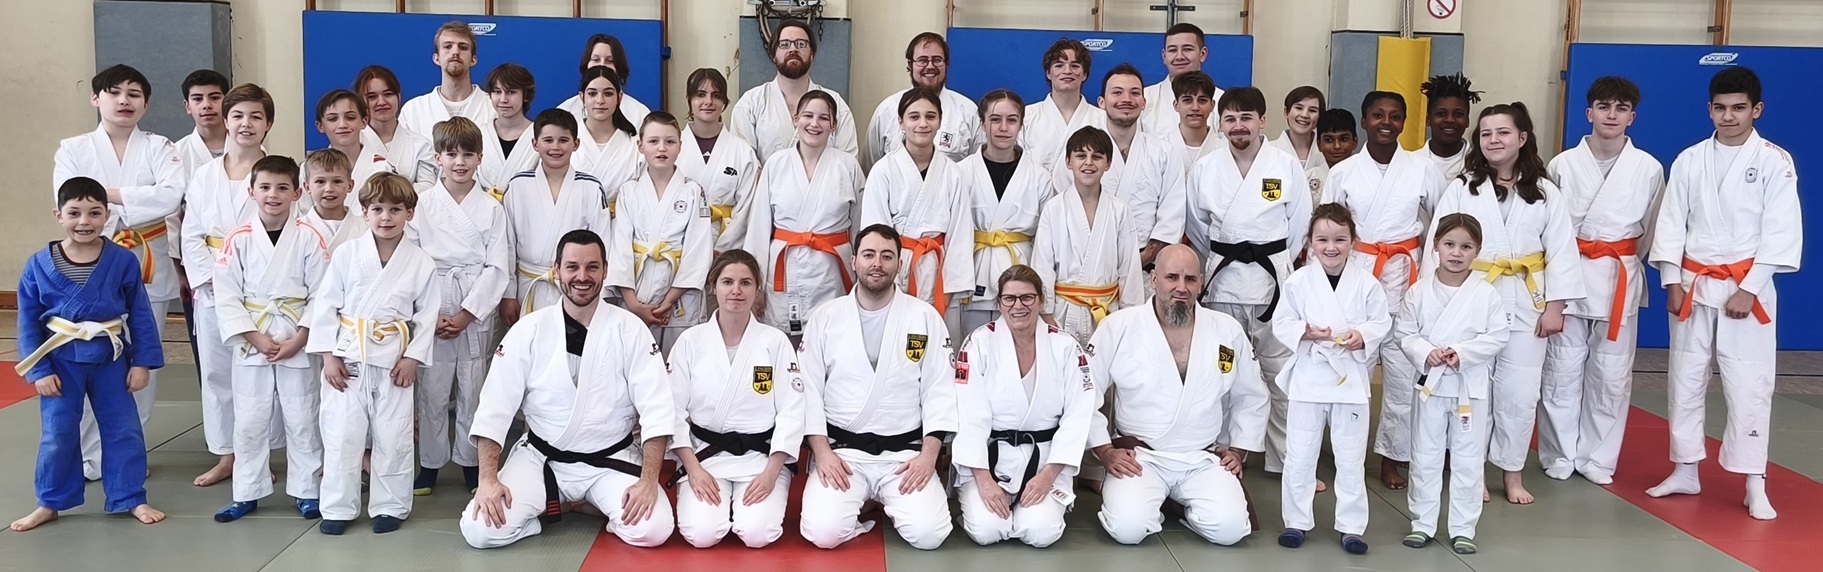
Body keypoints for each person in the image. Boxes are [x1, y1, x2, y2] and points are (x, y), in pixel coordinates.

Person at [1646, 67, 1800, 521]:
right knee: (1685, 377)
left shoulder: (1774, 160)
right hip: (1693, 284)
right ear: (1709, 109)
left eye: (1738, 108)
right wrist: (1671, 280)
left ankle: (1754, 481)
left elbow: (1781, 229)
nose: (1728, 116)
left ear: (1757, 110)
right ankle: (1685, 469)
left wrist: (1750, 289)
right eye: (1720, 108)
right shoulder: (1690, 159)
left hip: (1746, 286)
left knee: (1749, 382)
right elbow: (1671, 221)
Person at [460, 230, 677, 548]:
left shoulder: (631, 329)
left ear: (605, 270)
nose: (582, 277)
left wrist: (647, 481)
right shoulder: (529, 329)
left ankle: (580, 503)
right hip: (542, 459)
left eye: (592, 267)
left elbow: (657, 408)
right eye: (572, 267)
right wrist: (487, 480)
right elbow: (495, 408)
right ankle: (566, 506)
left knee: (653, 529)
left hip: (610, 459)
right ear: (557, 270)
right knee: (480, 531)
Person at [1425, 102, 1583, 505]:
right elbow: (1437, 246)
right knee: (1473, 392)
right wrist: (1439, 303)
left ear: (1522, 138)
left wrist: (1556, 307)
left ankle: (1512, 473)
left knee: (1520, 394)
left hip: (1528, 303)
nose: (1493, 140)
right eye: (1486, 134)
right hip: (1472, 301)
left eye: (1503, 132)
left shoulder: (1545, 191)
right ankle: (1473, 472)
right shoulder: (1463, 187)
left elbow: (1562, 250)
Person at [10, 178, 168, 532]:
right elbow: (28, 322)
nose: (85, 221)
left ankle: (130, 496)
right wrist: (38, 371)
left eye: (94, 213)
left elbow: (139, 314)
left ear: (107, 215)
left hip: (110, 358)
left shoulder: (122, 260)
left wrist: (142, 363)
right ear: (59, 216)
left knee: (123, 429)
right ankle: (50, 501)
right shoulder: (38, 265)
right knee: (58, 432)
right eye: (75, 213)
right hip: (60, 359)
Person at [51, 64, 184, 483]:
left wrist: (101, 194)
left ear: (146, 104)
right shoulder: (72, 149)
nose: (124, 100)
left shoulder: (161, 147)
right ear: (96, 99)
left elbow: (170, 196)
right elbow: (70, 201)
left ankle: (128, 455)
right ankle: (90, 457)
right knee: (90, 358)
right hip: (91, 261)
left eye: (134, 94)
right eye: (114, 92)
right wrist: (126, 200)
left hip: (146, 260)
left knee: (141, 361)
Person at [1089, 244, 1267, 546]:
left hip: (1202, 456)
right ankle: (1155, 501)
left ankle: (1177, 505)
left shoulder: (1226, 329)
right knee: (1128, 529)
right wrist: (1105, 451)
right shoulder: (1118, 327)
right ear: (1153, 279)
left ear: (1201, 282)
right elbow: (1086, 392)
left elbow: (1251, 395)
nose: (1181, 287)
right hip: (1140, 456)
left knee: (1231, 530)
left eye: (1190, 279)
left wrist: (1238, 451)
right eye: (1172, 277)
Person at [797, 224, 956, 550]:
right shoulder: (826, 317)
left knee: (930, 535)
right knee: (823, 534)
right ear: (854, 261)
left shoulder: (925, 317)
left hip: (904, 455)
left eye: (887, 256)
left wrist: (928, 458)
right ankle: (867, 503)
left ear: (900, 263)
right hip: (843, 453)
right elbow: (807, 391)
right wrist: (822, 454)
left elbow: (939, 391)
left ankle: (882, 499)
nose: (877, 264)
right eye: (869, 255)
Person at [1539, 77, 1665, 486]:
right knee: (1560, 370)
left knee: (1611, 375)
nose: (1612, 115)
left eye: (1621, 108)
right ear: (1589, 112)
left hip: (1617, 278)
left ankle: (1598, 458)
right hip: (1569, 276)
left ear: (1632, 117)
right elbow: (1549, 227)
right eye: (1604, 106)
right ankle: (1559, 453)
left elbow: (1651, 229)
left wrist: (1623, 257)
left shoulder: (1648, 168)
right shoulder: (1562, 165)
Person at [1185, 86, 1313, 477]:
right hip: (1222, 285)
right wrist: (1222, 258)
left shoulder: (1285, 166)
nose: (1238, 126)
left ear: (1262, 121)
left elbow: (1299, 225)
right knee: (1223, 369)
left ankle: (1285, 460)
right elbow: (1197, 227)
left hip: (1273, 284)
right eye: (1230, 119)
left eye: (1246, 118)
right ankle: (1221, 455)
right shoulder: (1205, 168)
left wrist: (1275, 260)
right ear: (1219, 124)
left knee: (1281, 372)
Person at [304, 172, 441, 535]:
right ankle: (337, 508)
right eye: (377, 209)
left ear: (409, 213)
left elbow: (427, 315)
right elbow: (325, 306)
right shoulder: (347, 254)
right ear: (364, 212)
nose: (386, 217)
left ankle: (390, 506)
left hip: (394, 361)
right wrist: (328, 356)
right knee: (341, 435)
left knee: (393, 436)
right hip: (347, 358)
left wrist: (412, 358)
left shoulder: (420, 261)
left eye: (395, 209)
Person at [1322, 91, 1447, 490]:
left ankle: (1393, 457)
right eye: (1378, 115)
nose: (1386, 123)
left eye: (1395, 116)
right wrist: (1326, 282)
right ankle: (1348, 455)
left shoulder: (1423, 169)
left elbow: (1442, 223)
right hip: (1358, 276)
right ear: (1364, 121)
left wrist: (1435, 278)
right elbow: (1325, 229)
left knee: (1404, 379)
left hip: (1406, 277)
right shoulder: (1343, 172)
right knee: (1351, 373)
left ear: (1405, 122)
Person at [210, 155, 329, 523]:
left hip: (297, 339)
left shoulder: (310, 237)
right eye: (264, 187)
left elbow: (322, 294)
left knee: (303, 417)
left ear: (297, 192)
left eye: (281, 187)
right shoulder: (238, 239)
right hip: (253, 340)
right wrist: (254, 337)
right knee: (249, 419)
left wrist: (301, 338)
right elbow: (226, 295)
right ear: (251, 192)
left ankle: (307, 490)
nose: (272, 195)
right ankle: (247, 492)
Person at [1270, 204, 1390, 554]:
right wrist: (1304, 331)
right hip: (1309, 376)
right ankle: (1296, 521)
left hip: (1349, 379)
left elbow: (1381, 321)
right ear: (1310, 242)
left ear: (1353, 241)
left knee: (1350, 458)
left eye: (1340, 239)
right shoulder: (1298, 281)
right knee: (1300, 455)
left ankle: (1352, 527)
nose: (1331, 247)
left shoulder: (1366, 283)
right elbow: (1282, 322)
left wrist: (1362, 335)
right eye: (1322, 239)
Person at [667, 250, 806, 548]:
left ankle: (744, 506)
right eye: (727, 282)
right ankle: (721, 506)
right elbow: (672, 411)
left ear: (757, 289)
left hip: (761, 458)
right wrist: (693, 469)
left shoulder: (775, 342)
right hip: (704, 456)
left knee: (758, 535)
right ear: (713, 286)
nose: (736, 291)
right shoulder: (690, 342)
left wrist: (771, 472)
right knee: (701, 535)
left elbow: (792, 411)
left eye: (745, 283)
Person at [953, 265, 1095, 547]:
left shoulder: (1065, 346)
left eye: (1027, 297)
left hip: (1046, 460)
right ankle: (988, 508)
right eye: (1009, 298)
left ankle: (1029, 513)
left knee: (1040, 533)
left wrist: (1047, 477)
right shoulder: (979, 343)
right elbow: (968, 416)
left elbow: (1078, 416)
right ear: (999, 303)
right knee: (987, 531)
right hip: (990, 460)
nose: (1018, 305)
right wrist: (984, 480)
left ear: (1041, 300)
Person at [407, 117, 513, 496]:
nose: (460, 162)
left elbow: (498, 267)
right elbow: (410, 259)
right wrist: (430, 313)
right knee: (432, 389)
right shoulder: (421, 205)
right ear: (437, 157)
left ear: (480, 158)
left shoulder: (492, 208)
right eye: (451, 154)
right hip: (433, 297)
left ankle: (471, 463)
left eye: (468, 154)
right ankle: (430, 464)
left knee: (474, 386)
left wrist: (467, 314)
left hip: (473, 303)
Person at [1396, 213, 1509, 555]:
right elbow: (1405, 332)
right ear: (1436, 247)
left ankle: (1463, 528)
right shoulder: (1418, 291)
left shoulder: (1486, 294)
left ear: (1478, 251)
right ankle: (1422, 523)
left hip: (1468, 387)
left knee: (1468, 459)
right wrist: (1426, 351)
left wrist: (1461, 353)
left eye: (1465, 247)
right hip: (1430, 385)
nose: (1456, 253)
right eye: (1449, 244)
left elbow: (1498, 336)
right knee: (1425, 455)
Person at [181, 83, 276, 488]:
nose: (245, 124)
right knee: (218, 374)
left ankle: (260, 455)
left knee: (261, 379)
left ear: (268, 124)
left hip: (263, 290)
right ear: (226, 119)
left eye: (256, 116)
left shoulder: (278, 173)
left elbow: (287, 233)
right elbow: (191, 233)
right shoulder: (205, 175)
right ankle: (226, 455)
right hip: (213, 288)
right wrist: (213, 282)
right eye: (237, 115)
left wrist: (251, 285)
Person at [741, 90, 866, 339]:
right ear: (795, 119)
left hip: (831, 271)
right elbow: (759, 228)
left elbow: (861, 229)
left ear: (834, 125)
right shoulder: (776, 164)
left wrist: (863, 276)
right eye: (808, 116)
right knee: (781, 341)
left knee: (831, 336)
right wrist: (754, 282)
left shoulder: (848, 166)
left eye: (823, 118)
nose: (814, 123)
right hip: (784, 267)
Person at [862, 88, 973, 325]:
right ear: (900, 122)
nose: (922, 123)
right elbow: (874, 235)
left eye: (930, 116)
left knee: (936, 336)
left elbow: (960, 237)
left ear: (940, 121)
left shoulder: (953, 173)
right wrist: (883, 278)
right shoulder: (883, 171)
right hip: (895, 271)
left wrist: (948, 292)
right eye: (914, 117)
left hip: (938, 271)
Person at [609, 112, 714, 351]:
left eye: (670, 141)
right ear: (640, 146)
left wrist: (669, 300)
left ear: (680, 146)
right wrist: (633, 304)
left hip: (679, 298)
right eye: (653, 141)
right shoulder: (628, 191)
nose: (661, 148)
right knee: (634, 359)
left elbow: (698, 251)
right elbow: (619, 249)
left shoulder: (693, 191)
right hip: (637, 292)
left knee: (679, 360)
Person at [1031, 127, 1144, 346]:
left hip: (1109, 314)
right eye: (1081, 155)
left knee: (1105, 366)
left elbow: (1129, 270)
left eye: (1097, 157)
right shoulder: (1054, 209)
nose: (1088, 163)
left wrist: (1129, 316)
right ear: (1068, 161)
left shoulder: (1120, 211)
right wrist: (1046, 316)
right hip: (1062, 314)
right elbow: (1042, 267)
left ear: (1108, 164)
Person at [498, 109, 611, 325]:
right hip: (528, 286)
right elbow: (507, 246)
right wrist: (508, 294)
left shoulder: (591, 188)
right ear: (535, 144)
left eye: (563, 140)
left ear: (576, 144)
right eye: (548, 140)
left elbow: (603, 244)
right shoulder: (518, 185)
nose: (556, 147)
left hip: (577, 286)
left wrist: (599, 294)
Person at [959, 90, 1050, 336]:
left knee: (1018, 344)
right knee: (973, 345)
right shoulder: (960, 172)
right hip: (973, 273)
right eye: (995, 119)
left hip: (1021, 271)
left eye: (1011, 120)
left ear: (1021, 124)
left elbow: (1046, 242)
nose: (1003, 127)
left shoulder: (1039, 176)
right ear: (982, 123)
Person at [1079, 64, 1186, 270]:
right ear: (1101, 102)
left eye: (1135, 93)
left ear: (1144, 103)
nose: (1126, 99)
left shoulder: (1164, 153)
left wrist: (1141, 260)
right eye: (1117, 92)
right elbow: (1066, 206)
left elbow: (1172, 215)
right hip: (1088, 264)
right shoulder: (1081, 152)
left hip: (1146, 266)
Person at [731, 19, 859, 160]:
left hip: (825, 175)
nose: (793, 49)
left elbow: (848, 163)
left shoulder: (836, 105)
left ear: (812, 54)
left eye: (801, 44)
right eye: (784, 44)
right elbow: (743, 163)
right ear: (773, 55)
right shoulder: (750, 104)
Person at [865, 32, 981, 168]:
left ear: (947, 64)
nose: (930, 66)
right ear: (910, 65)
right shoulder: (886, 110)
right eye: (922, 60)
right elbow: (870, 167)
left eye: (937, 60)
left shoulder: (968, 111)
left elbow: (978, 168)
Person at [678, 68, 761, 254]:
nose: (708, 101)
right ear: (689, 100)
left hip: (726, 246)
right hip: (680, 242)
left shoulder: (742, 152)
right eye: (700, 94)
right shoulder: (673, 146)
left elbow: (747, 208)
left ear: (724, 102)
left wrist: (723, 251)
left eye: (716, 95)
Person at [1019, 39, 1106, 175]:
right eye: (1059, 65)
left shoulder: (1102, 119)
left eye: (1075, 66)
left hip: (1087, 189)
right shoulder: (1026, 117)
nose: (1067, 71)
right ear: (1049, 73)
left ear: (1084, 74)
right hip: (1038, 189)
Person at [399, 21, 495, 139]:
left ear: (473, 60)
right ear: (437, 58)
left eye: (463, 47)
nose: (455, 52)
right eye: (448, 46)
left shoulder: (493, 107)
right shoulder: (413, 111)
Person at [572, 66, 647, 208]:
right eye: (592, 94)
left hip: (624, 218)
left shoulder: (635, 144)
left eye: (608, 94)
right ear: (582, 97)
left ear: (619, 98)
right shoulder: (567, 141)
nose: (600, 100)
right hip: (574, 217)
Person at [354, 65, 437, 189]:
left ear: (398, 97)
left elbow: (428, 186)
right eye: (372, 97)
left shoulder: (420, 145)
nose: (381, 102)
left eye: (388, 94)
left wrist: (393, 195)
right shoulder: (352, 142)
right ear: (360, 102)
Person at [314, 89, 399, 199]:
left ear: (364, 122)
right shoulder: (310, 168)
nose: (342, 125)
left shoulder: (381, 167)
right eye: (332, 119)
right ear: (320, 126)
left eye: (350, 118)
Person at [1141, 23, 1220, 136]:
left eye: (1187, 49)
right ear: (1164, 56)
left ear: (1202, 54)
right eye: (1172, 50)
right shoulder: (1144, 98)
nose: (1179, 57)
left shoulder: (1221, 100)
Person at [557, 34, 653, 127]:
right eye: (596, 60)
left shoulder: (639, 114)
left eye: (609, 61)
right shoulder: (565, 111)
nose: (602, 65)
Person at [479, 63, 540, 191]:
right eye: (497, 92)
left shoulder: (539, 136)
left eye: (511, 92)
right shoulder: (479, 134)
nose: (503, 99)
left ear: (526, 95)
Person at [298, 149, 371, 255]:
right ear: (307, 187)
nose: (329, 189)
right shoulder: (297, 229)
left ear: (350, 186)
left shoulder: (366, 228)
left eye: (337, 181)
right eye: (320, 181)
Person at [1269, 86, 1331, 205]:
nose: (1304, 115)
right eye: (1298, 108)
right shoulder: (1269, 151)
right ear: (1286, 112)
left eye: (1312, 110)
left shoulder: (1327, 154)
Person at [1416, 73, 1482, 179]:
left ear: (1467, 121)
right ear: (1428, 120)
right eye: (1441, 114)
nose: (1450, 120)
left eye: (1458, 114)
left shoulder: (1481, 164)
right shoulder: (1409, 164)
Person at [1168, 71, 1221, 167]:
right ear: (1176, 105)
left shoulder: (1224, 149)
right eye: (1187, 100)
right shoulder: (1160, 148)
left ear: (1212, 105)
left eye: (1202, 100)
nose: (1195, 107)